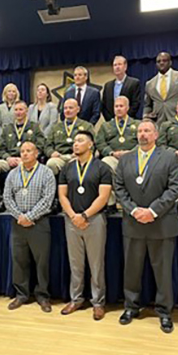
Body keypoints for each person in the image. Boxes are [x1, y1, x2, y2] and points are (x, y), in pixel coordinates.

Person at [115, 120, 178, 333]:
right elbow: (119, 187)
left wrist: (152, 211)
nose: (142, 134)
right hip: (133, 223)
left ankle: (164, 312)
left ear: (156, 134)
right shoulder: (126, 159)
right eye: (140, 131)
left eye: (147, 131)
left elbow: (174, 189)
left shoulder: (169, 157)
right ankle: (131, 307)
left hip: (161, 223)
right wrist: (134, 210)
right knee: (131, 270)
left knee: (163, 272)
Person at [58, 130, 112, 321]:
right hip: (72, 220)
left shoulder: (102, 167)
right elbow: (62, 195)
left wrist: (85, 215)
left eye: (80, 140)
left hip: (94, 220)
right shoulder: (67, 168)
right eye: (74, 141)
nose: (76, 144)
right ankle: (76, 299)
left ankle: (98, 302)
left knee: (96, 264)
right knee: (75, 264)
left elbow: (103, 196)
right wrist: (73, 215)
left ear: (90, 144)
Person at [3, 142, 55, 312]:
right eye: (22, 151)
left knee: (42, 262)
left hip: (38, 223)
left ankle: (43, 296)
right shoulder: (12, 174)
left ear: (36, 153)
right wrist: (20, 216)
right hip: (17, 223)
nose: (25, 154)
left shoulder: (46, 173)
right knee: (19, 260)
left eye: (28, 151)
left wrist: (30, 217)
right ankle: (21, 294)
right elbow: (7, 198)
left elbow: (47, 200)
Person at [0, 101, 45, 211]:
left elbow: (40, 145)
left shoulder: (35, 127)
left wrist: (24, 159)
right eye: (16, 110)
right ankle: (3, 197)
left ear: (26, 111)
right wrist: (7, 157)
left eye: (21, 109)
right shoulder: (7, 128)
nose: (18, 112)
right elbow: (0, 148)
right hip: (10, 159)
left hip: (28, 160)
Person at [97, 95, 140, 210]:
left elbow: (143, 142)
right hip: (113, 156)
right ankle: (114, 199)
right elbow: (100, 143)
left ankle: (131, 198)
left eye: (121, 106)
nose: (118, 109)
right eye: (116, 106)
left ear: (127, 108)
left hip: (133, 156)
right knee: (105, 163)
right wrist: (111, 153)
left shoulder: (137, 124)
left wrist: (130, 152)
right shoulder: (106, 126)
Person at [45, 99, 94, 176]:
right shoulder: (56, 127)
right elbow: (47, 145)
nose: (67, 110)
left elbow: (92, 145)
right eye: (65, 108)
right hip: (60, 157)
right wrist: (51, 152)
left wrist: (81, 154)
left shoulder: (86, 126)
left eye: (70, 108)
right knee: (51, 163)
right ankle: (55, 187)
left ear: (78, 109)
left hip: (78, 157)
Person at [101, 55, 142, 120]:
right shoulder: (108, 85)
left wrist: (125, 118)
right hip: (111, 122)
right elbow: (104, 106)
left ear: (125, 67)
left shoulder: (134, 83)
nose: (117, 67)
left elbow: (135, 103)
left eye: (119, 64)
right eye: (115, 65)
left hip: (128, 121)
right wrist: (111, 120)